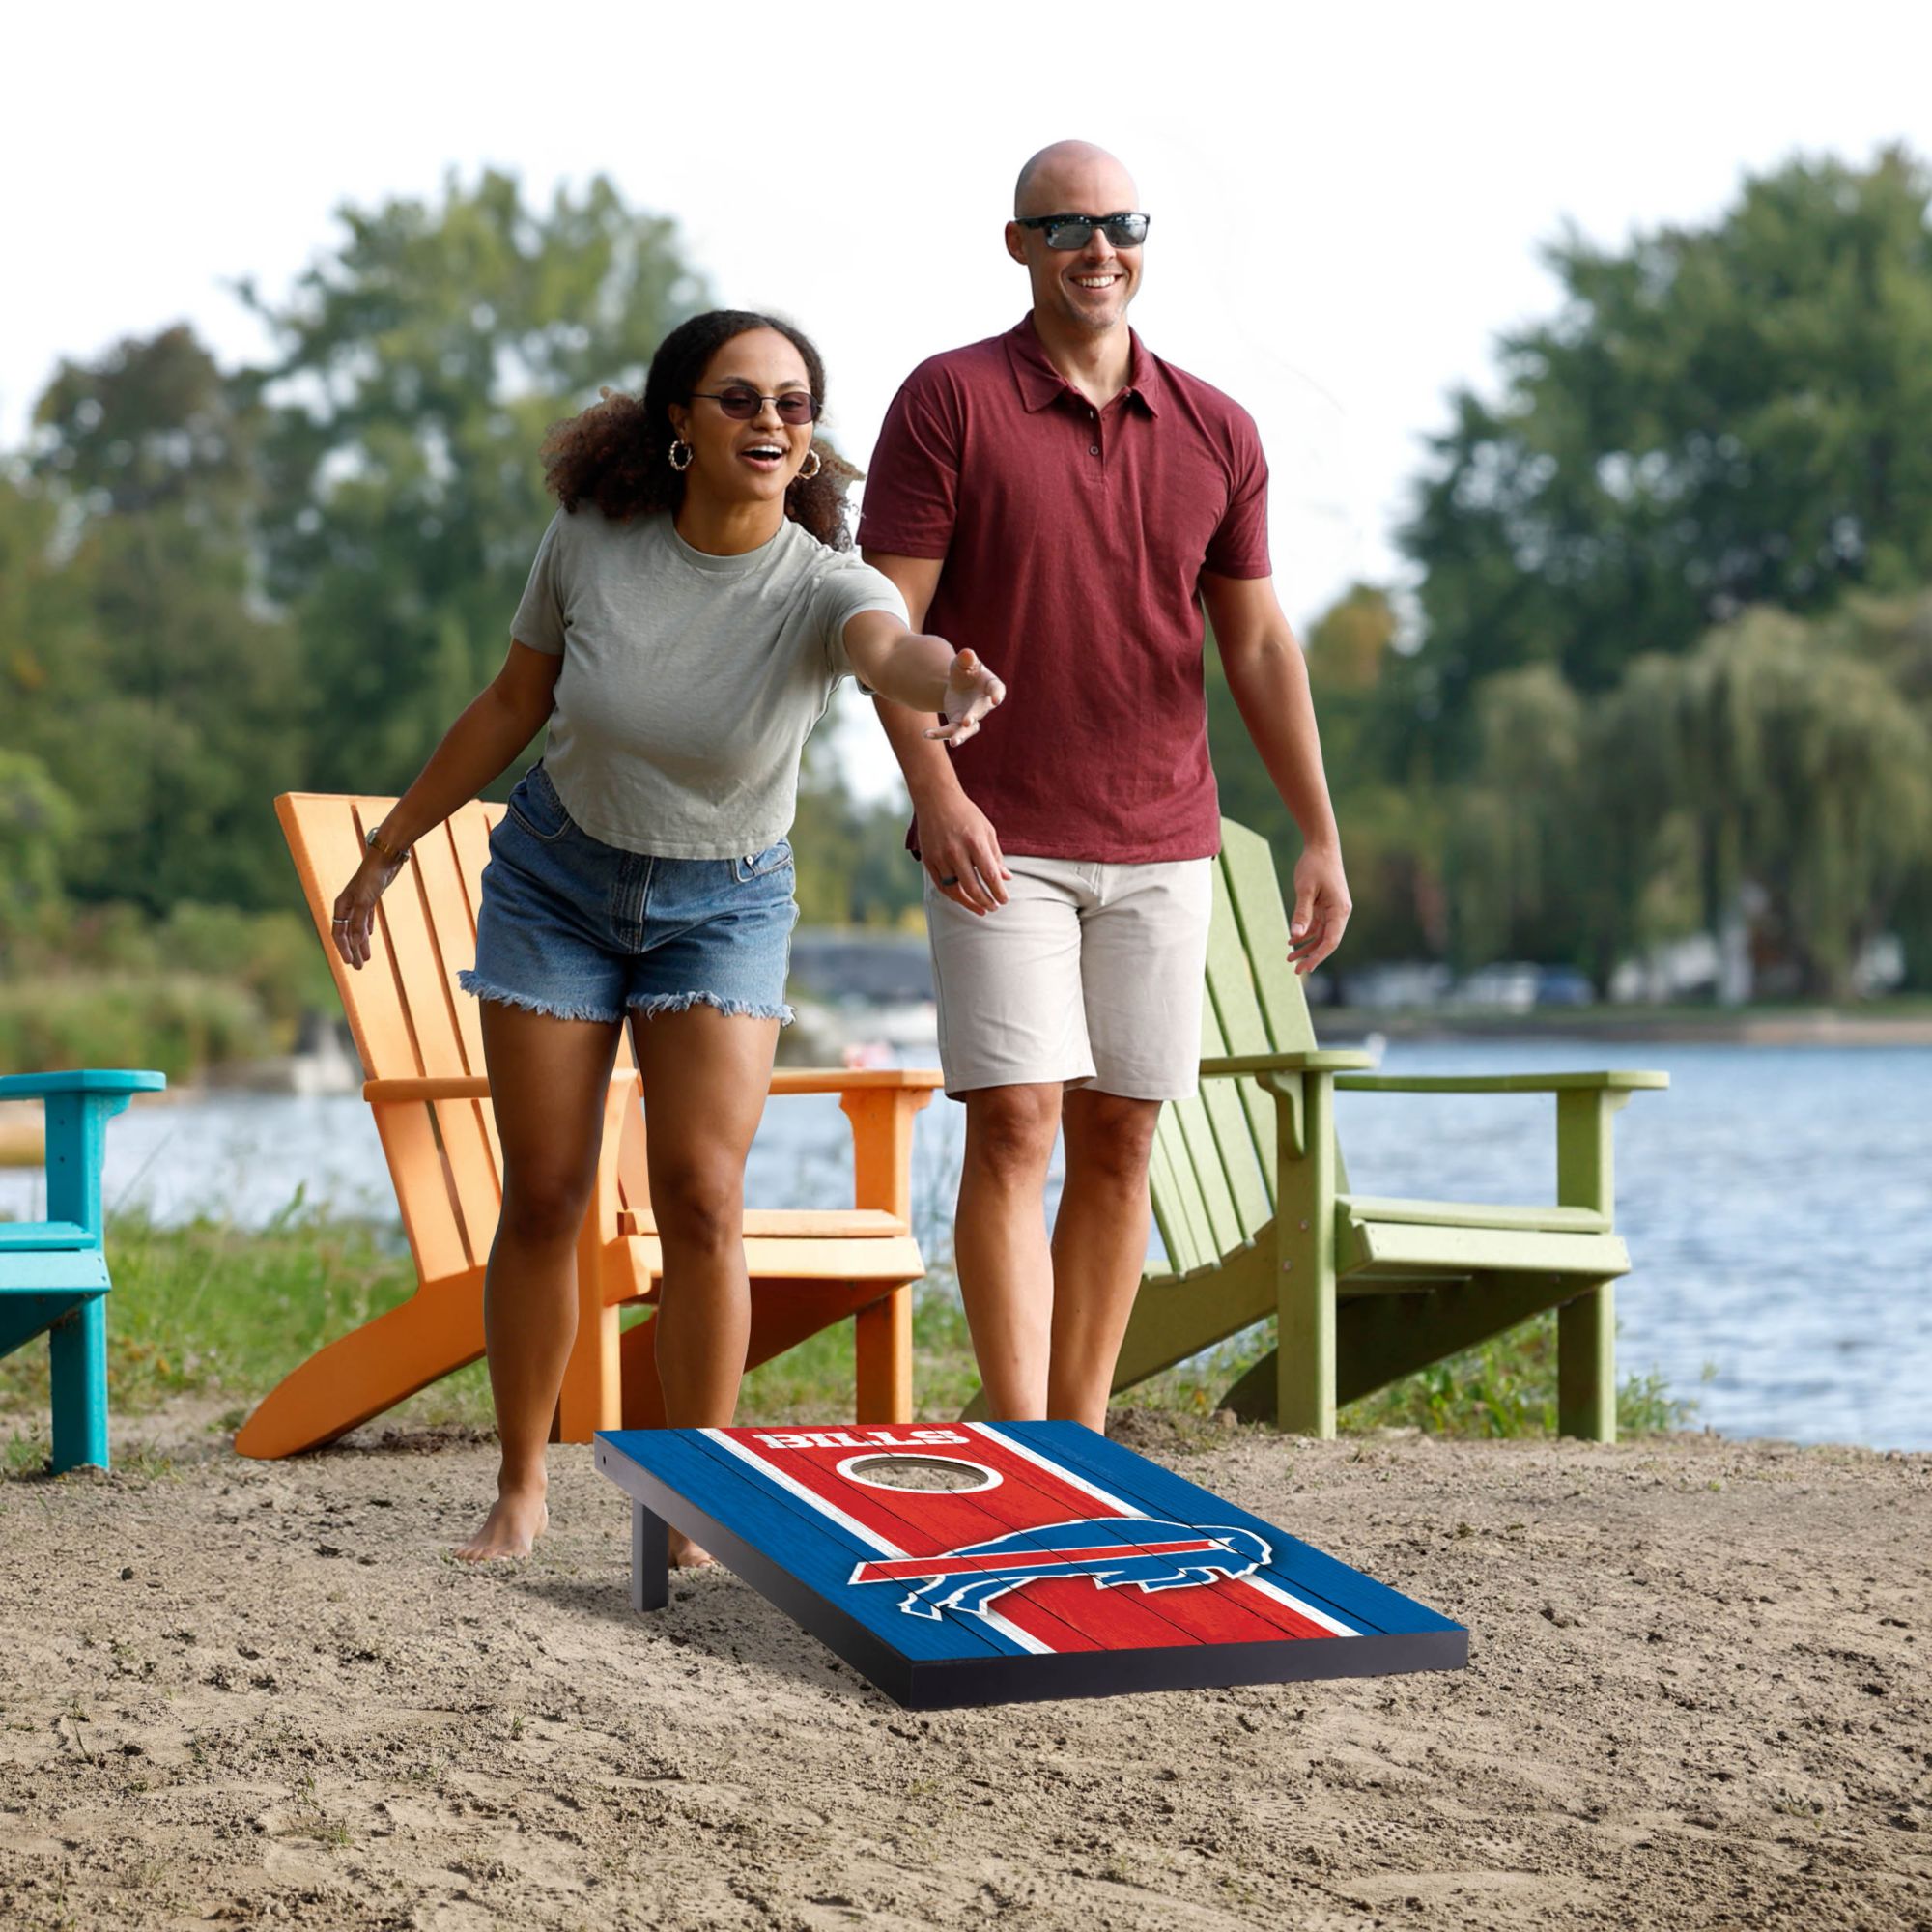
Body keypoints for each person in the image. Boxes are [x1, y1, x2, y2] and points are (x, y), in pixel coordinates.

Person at [328, 309, 1005, 1564]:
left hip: (725, 904)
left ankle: (698, 1499)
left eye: (793, 405)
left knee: (703, 1197)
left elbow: (887, 652)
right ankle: (523, 1487)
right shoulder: (592, 542)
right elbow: (513, 701)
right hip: (556, 886)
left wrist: (946, 682)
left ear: (809, 443)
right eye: (739, 399)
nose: (769, 423)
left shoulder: (824, 582)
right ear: (680, 425)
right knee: (546, 1192)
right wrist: (396, 841)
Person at [857, 141, 1350, 1430]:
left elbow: (1258, 643)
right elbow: (878, 630)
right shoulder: (946, 402)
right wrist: (935, 794)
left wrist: (1317, 833)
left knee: (1122, 1133)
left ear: (1144, 239)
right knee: (1017, 1121)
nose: (1097, 247)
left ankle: (1077, 1434)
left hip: (1163, 837)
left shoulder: (1216, 428)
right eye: (1065, 225)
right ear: (1016, 244)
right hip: (997, 835)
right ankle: (1019, 1437)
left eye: (1119, 223)